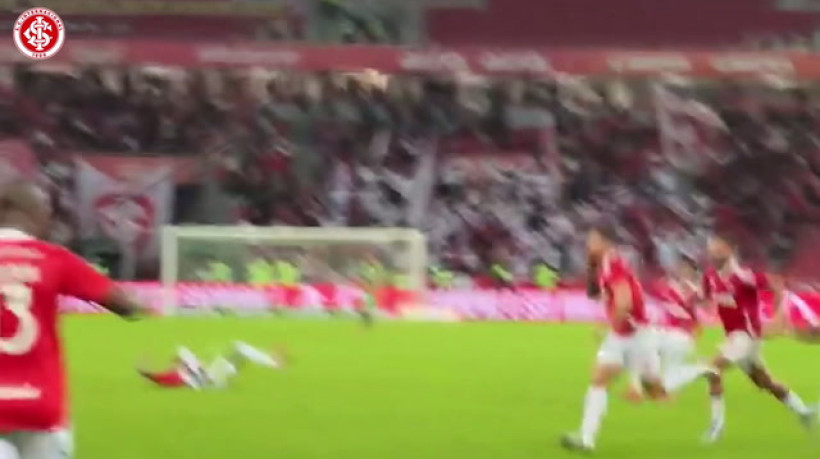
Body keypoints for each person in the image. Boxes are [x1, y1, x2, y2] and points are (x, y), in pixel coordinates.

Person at [0, 181, 148, 459]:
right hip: (40, 402)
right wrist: (141, 305)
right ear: (34, 213)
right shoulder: (54, 258)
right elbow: (126, 306)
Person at [700, 234, 816, 444]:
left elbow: (776, 286)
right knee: (764, 382)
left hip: (747, 336)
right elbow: (707, 299)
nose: (713, 252)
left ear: (730, 250)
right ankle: (802, 410)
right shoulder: (709, 276)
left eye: (718, 248)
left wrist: (777, 316)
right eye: (711, 248)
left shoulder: (743, 276)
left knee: (713, 368)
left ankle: (717, 425)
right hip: (734, 337)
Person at [561, 227, 666, 453]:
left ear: (605, 243)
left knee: (654, 391)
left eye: (593, 241)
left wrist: (608, 326)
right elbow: (600, 295)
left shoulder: (613, 265)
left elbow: (624, 302)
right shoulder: (607, 264)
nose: (588, 245)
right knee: (599, 380)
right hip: (624, 334)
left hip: (637, 334)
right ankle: (586, 439)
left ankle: (691, 374)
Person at [137, 342, 284, 390]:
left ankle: (272, 361)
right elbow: (156, 378)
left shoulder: (182, 372)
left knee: (240, 350)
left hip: (214, 377)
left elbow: (156, 378)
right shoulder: (177, 376)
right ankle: (274, 363)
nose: (174, 363)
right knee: (240, 349)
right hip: (214, 379)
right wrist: (145, 370)